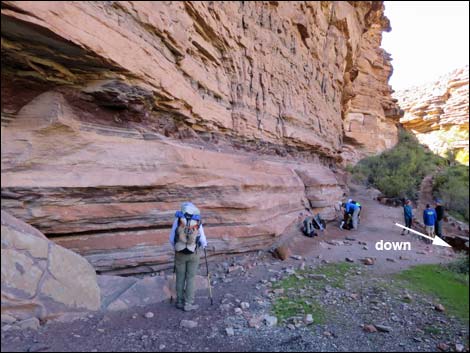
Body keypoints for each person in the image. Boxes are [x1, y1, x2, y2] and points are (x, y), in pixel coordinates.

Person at [169, 202, 208, 311]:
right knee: (190, 278)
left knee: (180, 278)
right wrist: (204, 246)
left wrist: (176, 247)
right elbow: (203, 239)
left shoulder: (178, 220)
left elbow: (171, 238)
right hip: (193, 253)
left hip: (180, 253)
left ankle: (180, 302)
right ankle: (188, 304)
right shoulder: (197, 221)